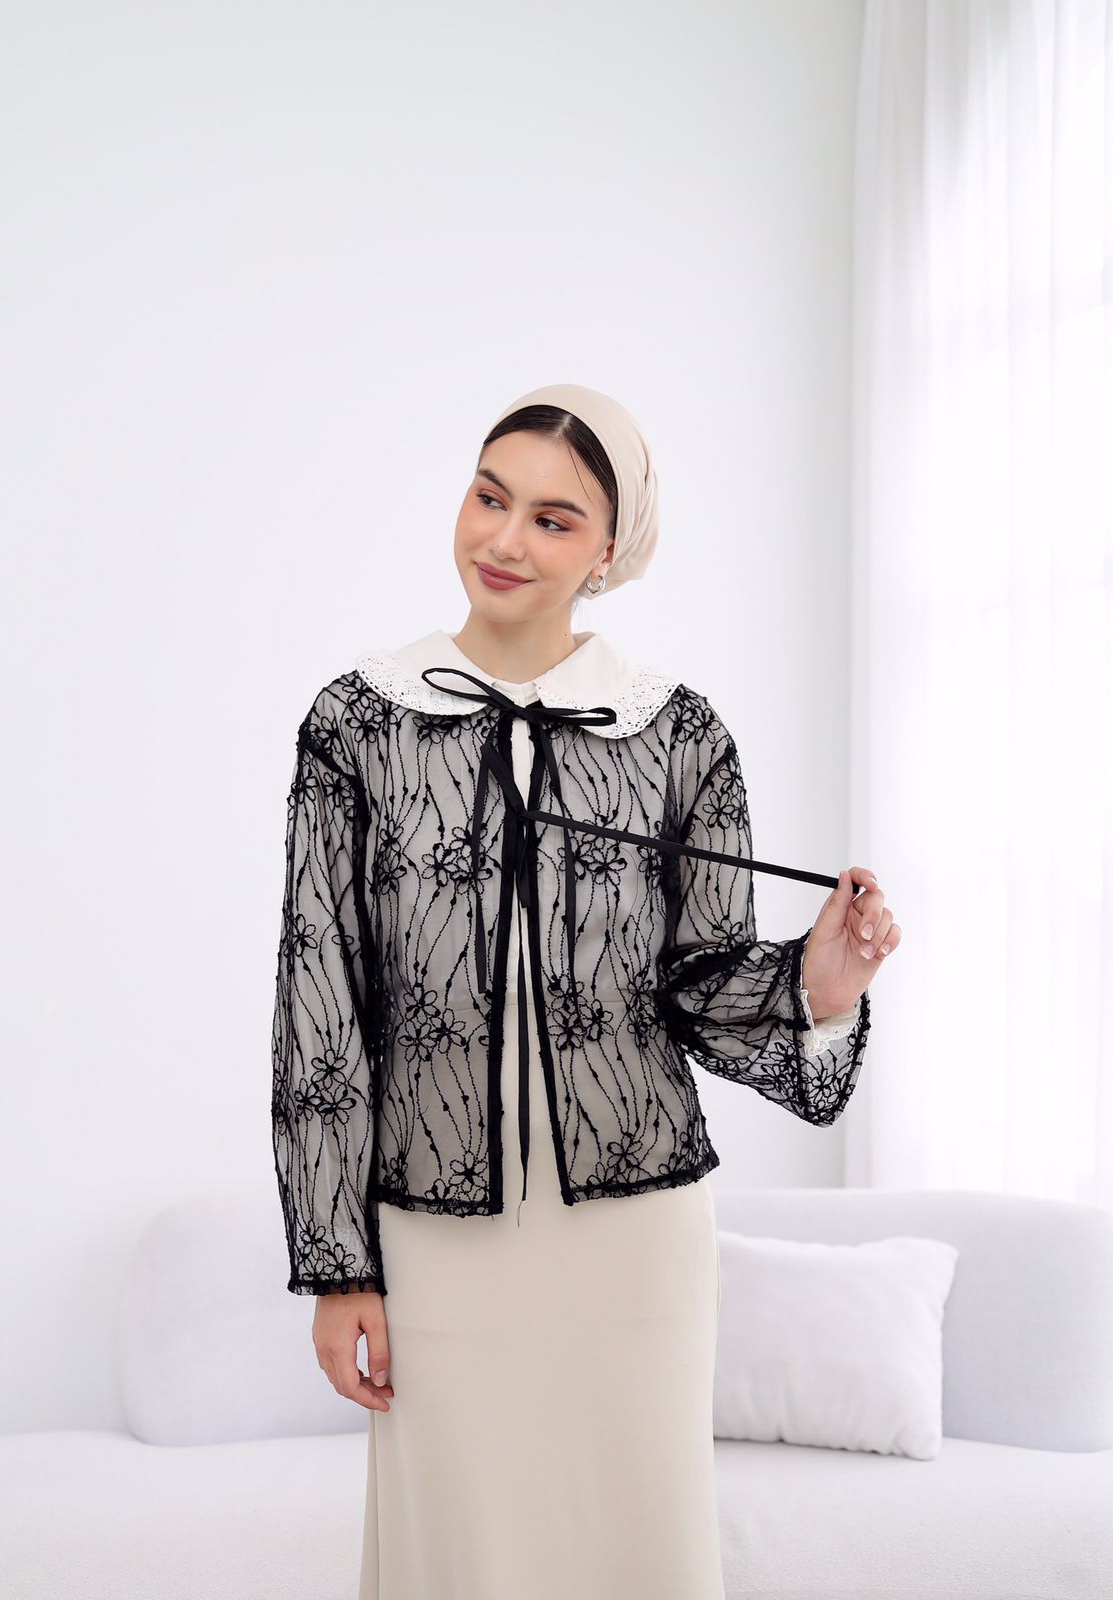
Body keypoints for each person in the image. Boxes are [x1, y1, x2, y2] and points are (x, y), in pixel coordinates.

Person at [271, 382, 896, 1599]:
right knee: (463, 1554)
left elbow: (703, 985)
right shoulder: (355, 725)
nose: (504, 540)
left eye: (553, 520)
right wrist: (340, 1268)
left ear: (609, 549)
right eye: (489, 497)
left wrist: (820, 983)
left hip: (633, 1243)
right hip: (435, 1234)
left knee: (634, 1553)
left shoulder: (675, 734)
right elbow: (319, 1003)